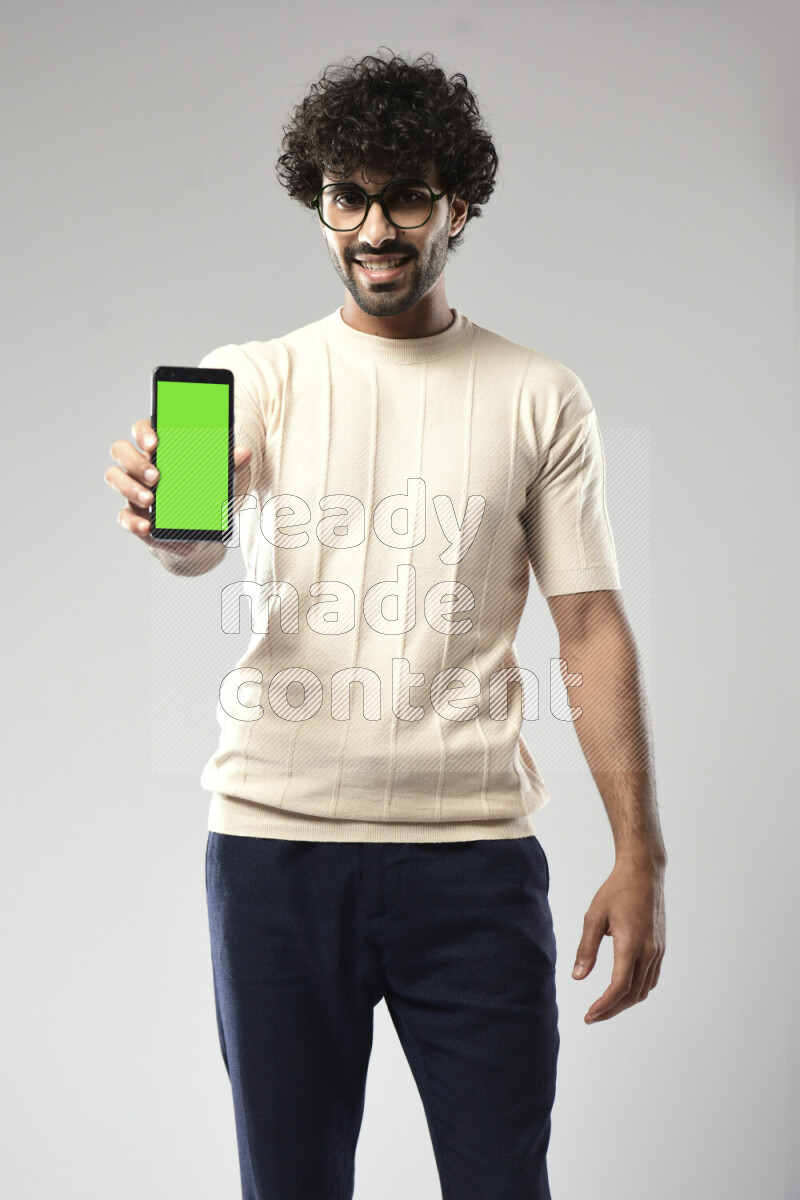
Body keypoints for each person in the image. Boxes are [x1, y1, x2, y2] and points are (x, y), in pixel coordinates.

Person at [105, 48, 667, 1200]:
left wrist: (637, 854)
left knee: (501, 1184)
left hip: (471, 863)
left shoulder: (536, 394)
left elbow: (589, 627)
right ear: (317, 203)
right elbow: (193, 543)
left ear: (458, 204)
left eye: (406, 194)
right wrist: (169, 519)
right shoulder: (251, 378)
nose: (374, 227)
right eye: (345, 195)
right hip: (273, 852)